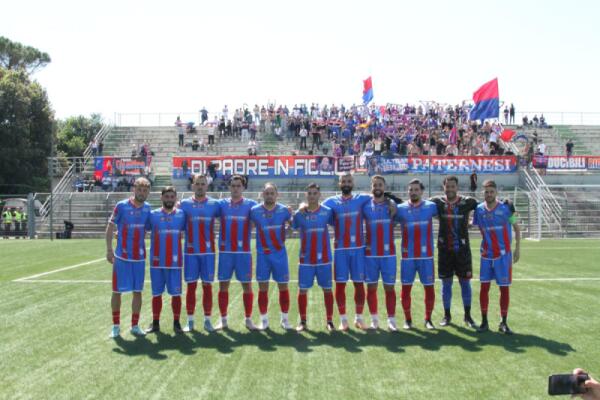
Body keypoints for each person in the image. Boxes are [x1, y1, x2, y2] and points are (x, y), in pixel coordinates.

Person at [429, 176, 478, 329]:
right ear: (443, 187)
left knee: (465, 283)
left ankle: (467, 316)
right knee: (446, 284)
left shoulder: (468, 202)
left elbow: (484, 207)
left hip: (462, 251)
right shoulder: (437, 202)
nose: (450, 189)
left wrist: (473, 222)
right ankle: (447, 315)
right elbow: (420, 205)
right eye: (447, 186)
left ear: (457, 187)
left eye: (452, 186)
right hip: (445, 250)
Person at [105, 177, 152, 338]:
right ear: (134, 189)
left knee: (137, 292)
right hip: (121, 257)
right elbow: (110, 227)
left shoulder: (148, 209)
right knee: (117, 291)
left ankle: (135, 326)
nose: (142, 193)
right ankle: (116, 326)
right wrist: (109, 249)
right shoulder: (121, 206)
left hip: (139, 258)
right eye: (139, 189)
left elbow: (150, 228)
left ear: (148, 192)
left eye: (145, 190)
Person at [473, 180, 521, 334]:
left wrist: (517, 249)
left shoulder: (506, 208)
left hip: (503, 256)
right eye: (486, 192)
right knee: (484, 288)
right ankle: (484, 322)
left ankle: (503, 322)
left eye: (491, 192)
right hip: (486, 255)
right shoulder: (479, 209)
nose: (489, 194)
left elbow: (516, 227)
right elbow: (472, 224)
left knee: (504, 288)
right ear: (483, 193)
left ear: (496, 192)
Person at [178, 174, 222, 332]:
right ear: (193, 186)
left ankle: (207, 321)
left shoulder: (215, 204)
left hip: (208, 253)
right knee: (191, 287)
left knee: (207, 287)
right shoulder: (184, 204)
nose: (200, 186)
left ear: (207, 186)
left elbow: (230, 217)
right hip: (190, 252)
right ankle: (190, 321)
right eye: (197, 184)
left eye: (203, 184)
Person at [215, 175, 258, 330]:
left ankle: (248, 319)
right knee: (223, 286)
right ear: (229, 187)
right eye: (233, 186)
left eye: (238, 186)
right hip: (225, 252)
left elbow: (261, 216)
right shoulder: (221, 204)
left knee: (247, 286)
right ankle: (223, 320)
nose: (235, 188)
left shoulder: (251, 205)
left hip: (243, 253)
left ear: (243, 187)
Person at [395, 179, 438, 330]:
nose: (413, 192)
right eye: (411, 190)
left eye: (416, 190)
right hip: (408, 257)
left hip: (426, 256)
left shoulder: (431, 206)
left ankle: (428, 319)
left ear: (421, 191)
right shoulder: (400, 208)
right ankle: (408, 320)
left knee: (429, 288)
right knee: (406, 289)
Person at [292, 183, 335, 332]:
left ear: (319, 195)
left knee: (327, 290)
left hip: (324, 258)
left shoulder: (327, 211)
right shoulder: (299, 214)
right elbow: (292, 227)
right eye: (309, 193)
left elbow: (337, 223)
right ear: (306, 195)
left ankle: (330, 321)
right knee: (303, 290)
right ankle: (303, 321)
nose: (312, 196)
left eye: (314, 193)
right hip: (306, 259)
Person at [250, 183, 293, 330]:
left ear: (277, 195)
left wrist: (288, 229)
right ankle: (264, 320)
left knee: (283, 287)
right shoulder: (254, 211)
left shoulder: (284, 210)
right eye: (267, 193)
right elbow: (248, 226)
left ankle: (285, 320)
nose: (269, 196)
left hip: (280, 255)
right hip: (263, 255)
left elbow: (293, 225)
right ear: (263, 194)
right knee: (263, 288)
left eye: (272, 193)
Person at [145, 187, 187, 334]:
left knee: (176, 294)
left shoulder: (182, 214)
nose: (169, 199)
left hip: (175, 262)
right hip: (157, 262)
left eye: (172, 197)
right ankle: (155, 323)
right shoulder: (153, 215)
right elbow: (141, 228)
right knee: (156, 294)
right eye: (167, 197)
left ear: (175, 198)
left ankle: (177, 323)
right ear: (161, 198)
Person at [363, 176, 401, 331]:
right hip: (370, 254)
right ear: (371, 187)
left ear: (384, 187)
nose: (377, 187)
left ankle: (391, 320)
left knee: (389, 288)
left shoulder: (392, 204)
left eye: (380, 185)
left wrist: (391, 200)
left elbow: (407, 205)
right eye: (375, 185)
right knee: (371, 287)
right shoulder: (365, 204)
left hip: (388, 254)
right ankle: (374, 320)